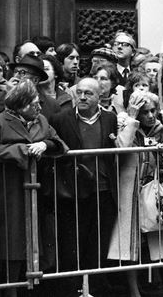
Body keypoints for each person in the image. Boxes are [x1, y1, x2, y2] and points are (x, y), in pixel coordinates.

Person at [48, 78, 122, 296]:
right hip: (73, 193)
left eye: (88, 93)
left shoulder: (110, 118)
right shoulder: (61, 119)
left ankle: (94, 290)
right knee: (72, 246)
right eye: (79, 92)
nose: (82, 97)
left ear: (99, 96)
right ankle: (73, 290)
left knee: (98, 245)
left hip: (104, 191)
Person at [0, 81, 67, 296]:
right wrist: (20, 150)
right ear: (20, 106)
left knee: (34, 245)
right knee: (10, 244)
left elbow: (60, 144)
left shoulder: (41, 120)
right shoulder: (1, 122)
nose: (39, 108)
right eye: (33, 105)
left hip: (38, 192)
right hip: (9, 192)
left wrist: (45, 145)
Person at [108, 91, 163, 297]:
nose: (150, 115)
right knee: (131, 243)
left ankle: (155, 279)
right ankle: (133, 289)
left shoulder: (160, 129)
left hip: (154, 187)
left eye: (153, 110)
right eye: (144, 112)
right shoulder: (125, 123)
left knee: (157, 234)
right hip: (131, 189)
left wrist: (161, 154)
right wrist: (131, 118)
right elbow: (122, 146)